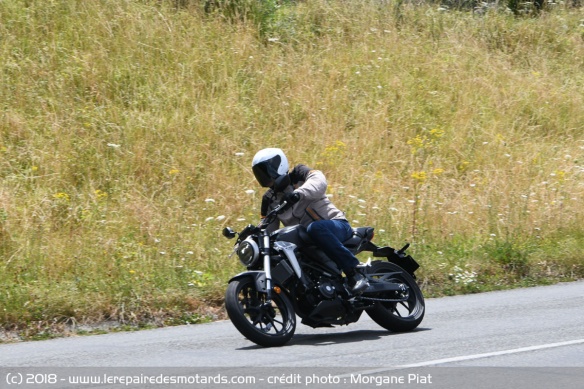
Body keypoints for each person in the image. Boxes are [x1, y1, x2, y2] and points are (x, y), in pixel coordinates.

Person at [251, 148, 369, 294]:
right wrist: (254, 236)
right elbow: (267, 228)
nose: (265, 177)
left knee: (314, 228)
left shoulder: (299, 174)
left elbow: (319, 181)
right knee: (275, 251)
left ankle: (354, 273)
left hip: (336, 225)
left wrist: (298, 193)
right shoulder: (269, 199)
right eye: (261, 174)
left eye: (267, 171)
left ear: (278, 165)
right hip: (306, 242)